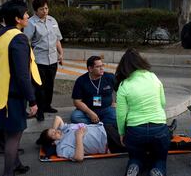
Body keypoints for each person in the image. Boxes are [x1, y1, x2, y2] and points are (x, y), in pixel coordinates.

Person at [0, 0, 41, 176]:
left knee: (9, 133)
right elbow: (22, 75)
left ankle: (16, 164)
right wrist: (32, 100)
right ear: (17, 19)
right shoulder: (18, 39)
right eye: (25, 14)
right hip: (12, 97)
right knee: (14, 137)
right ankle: (8, 173)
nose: (28, 16)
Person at [115, 48, 170, 176]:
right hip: (159, 128)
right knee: (160, 159)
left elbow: (121, 114)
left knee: (135, 157)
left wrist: (122, 133)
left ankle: (134, 166)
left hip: (135, 130)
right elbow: (163, 103)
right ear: (141, 61)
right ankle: (157, 171)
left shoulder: (124, 85)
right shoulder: (153, 77)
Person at [0, 3, 24, 155]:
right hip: (7, 88)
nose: (26, 16)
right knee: (9, 126)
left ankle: (10, 151)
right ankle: (6, 147)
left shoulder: (0, 34)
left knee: (4, 122)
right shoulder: (9, 35)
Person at [24, 0, 64, 121]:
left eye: (46, 8)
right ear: (36, 10)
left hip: (52, 59)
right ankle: (38, 110)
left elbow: (57, 39)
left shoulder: (52, 20)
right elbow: (27, 41)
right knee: (39, 87)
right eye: (42, 9)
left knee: (50, 85)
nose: (45, 11)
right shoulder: (31, 23)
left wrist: (61, 54)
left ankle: (47, 106)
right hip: (38, 60)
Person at [36, 116, 126, 161]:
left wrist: (55, 130)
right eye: (53, 134)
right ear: (53, 142)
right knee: (136, 140)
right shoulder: (61, 148)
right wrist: (79, 137)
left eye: (54, 130)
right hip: (108, 140)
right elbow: (79, 157)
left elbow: (57, 118)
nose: (56, 132)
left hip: (104, 127)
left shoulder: (63, 130)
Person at [70, 56, 116, 125]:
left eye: (102, 65)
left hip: (106, 108)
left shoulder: (110, 77)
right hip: (88, 109)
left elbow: (121, 91)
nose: (102, 68)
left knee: (117, 117)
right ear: (90, 69)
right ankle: (101, 124)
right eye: (98, 67)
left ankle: (96, 124)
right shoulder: (81, 80)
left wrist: (115, 103)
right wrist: (90, 113)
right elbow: (77, 102)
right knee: (75, 117)